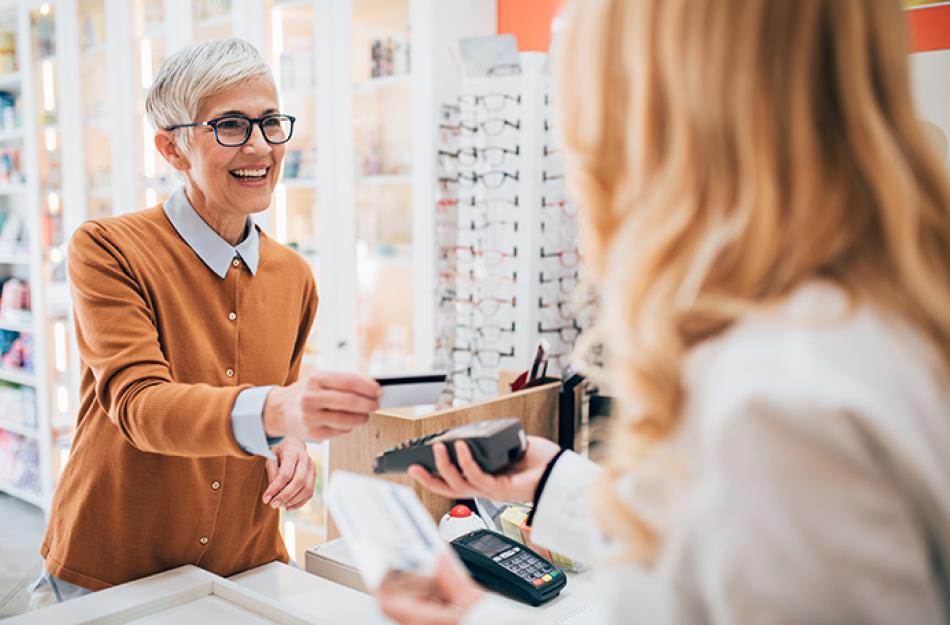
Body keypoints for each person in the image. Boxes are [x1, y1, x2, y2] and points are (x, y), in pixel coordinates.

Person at [378, 0, 950, 623]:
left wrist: (473, 619)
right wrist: (556, 486)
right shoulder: (865, 318)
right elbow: (720, 541)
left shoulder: (778, 402)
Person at [29, 38, 381, 610]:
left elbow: (279, 405)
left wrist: (290, 442)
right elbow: (141, 406)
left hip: (245, 568)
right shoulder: (108, 249)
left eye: (271, 122)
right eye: (231, 126)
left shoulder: (293, 275)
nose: (261, 146)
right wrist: (276, 413)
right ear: (172, 150)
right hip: (112, 573)